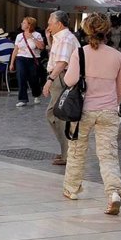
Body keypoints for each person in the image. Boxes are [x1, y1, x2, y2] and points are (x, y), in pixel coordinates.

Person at [62, 14, 121, 215]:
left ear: (86, 30)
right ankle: (114, 193)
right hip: (109, 110)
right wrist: (111, 103)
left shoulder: (80, 53)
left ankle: (72, 188)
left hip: (83, 110)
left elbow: (69, 81)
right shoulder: (118, 56)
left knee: (77, 149)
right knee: (108, 154)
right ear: (107, 31)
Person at [40, 10, 80, 166]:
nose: (48, 26)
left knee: (57, 114)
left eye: (50, 23)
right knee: (57, 114)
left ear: (59, 24)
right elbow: (56, 56)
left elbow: (62, 62)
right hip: (59, 76)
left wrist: (50, 80)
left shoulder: (65, 39)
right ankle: (66, 151)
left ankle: (68, 153)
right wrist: (49, 39)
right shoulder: (61, 38)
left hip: (61, 77)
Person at [11, 16, 45, 107]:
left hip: (33, 59)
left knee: (33, 79)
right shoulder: (19, 36)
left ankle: (36, 94)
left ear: (29, 25)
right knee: (21, 77)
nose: (22, 24)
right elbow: (15, 49)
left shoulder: (37, 35)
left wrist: (32, 37)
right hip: (20, 58)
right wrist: (12, 62)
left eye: (24, 23)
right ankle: (22, 99)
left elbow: (41, 47)